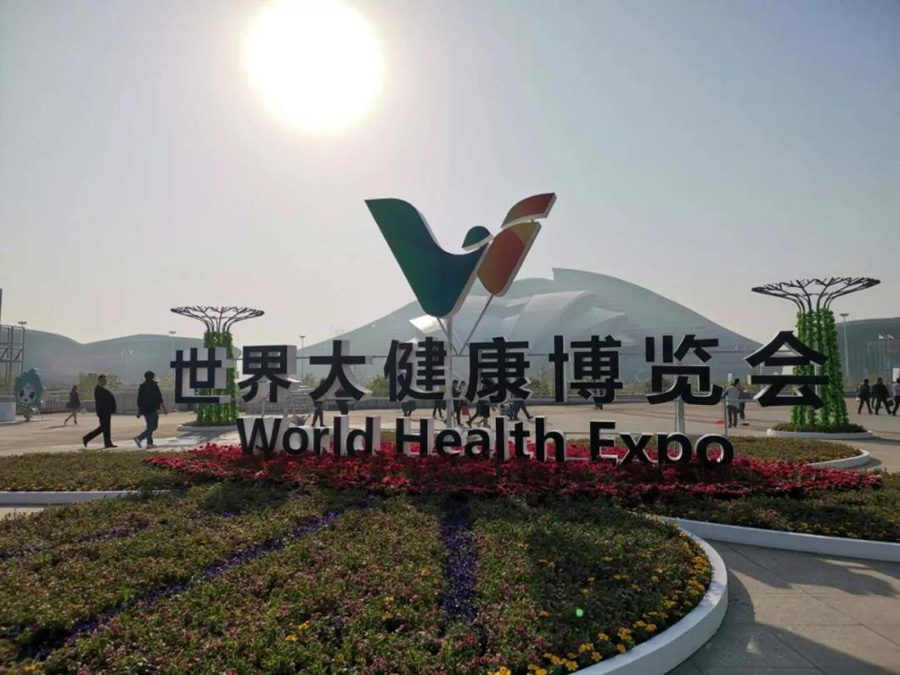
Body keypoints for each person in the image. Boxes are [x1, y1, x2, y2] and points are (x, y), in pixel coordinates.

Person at [82, 375, 117, 448]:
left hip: (106, 411)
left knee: (105, 428)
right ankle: (87, 438)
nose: (105, 382)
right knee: (104, 428)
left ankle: (107, 443)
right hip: (103, 411)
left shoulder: (102, 390)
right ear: (100, 380)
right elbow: (104, 400)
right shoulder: (98, 390)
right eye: (104, 380)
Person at [134, 371, 167, 449]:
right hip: (152, 409)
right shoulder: (154, 385)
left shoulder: (142, 386)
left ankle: (149, 443)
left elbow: (139, 400)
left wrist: (139, 411)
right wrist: (164, 408)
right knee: (153, 427)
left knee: (149, 426)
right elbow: (159, 397)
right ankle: (139, 438)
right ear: (152, 377)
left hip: (145, 410)